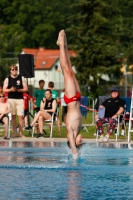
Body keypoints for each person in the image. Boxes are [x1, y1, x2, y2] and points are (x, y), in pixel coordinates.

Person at [57, 30, 82, 159]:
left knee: (66, 71)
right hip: (77, 97)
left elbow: (71, 142)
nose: (81, 141)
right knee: (71, 70)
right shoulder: (79, 130)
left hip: (71, 98)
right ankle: (65, 45)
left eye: (80, 143)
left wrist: (74, 153)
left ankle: (61, 45)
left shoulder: (71, 133)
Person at [3, 64, 28, 137]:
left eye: (16, 69)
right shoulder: (8, 79)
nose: (14, 71)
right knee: (13, 116)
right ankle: (14, 133)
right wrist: (11, 89)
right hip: (11, 99)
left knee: (20, 116)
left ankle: (21, 133)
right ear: (10, 71)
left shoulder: (21, 78)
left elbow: (26, 89)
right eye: (13, 69)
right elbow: (4, 90)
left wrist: (19, 90)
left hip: (19, 99)